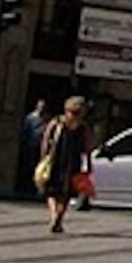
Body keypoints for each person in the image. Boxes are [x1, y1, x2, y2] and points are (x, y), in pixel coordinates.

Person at [38, 97, 90, 235]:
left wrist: (43, 159)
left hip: (56, 160)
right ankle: (59, 217)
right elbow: (87, 147)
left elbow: (45, 141)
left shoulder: (56, 123)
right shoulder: (83, 127)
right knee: (66, 193)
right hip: (73, 162)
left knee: (51, 191)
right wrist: (88, 164)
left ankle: (54, 215)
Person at [17, 102, 46, 196]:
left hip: (40, 146)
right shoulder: (30, 118)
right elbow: (25, 131)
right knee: (29, 166)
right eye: (41, 106)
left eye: (43, 107)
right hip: (31, 145)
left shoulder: (45, 118)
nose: (42, 109)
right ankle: (26, 187)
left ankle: (36, 188)